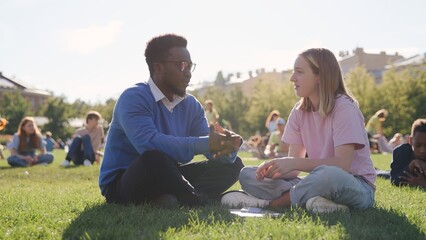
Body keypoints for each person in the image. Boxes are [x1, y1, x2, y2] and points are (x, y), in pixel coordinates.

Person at [221, 48, 376, 213]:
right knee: (247, 174)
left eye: (299, 72)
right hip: (316, 181)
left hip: (356, 185)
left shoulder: (344, 108)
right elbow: (294, 167)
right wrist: (275, 168)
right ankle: (320, 202)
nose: (292, 78)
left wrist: (294, 162)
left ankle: (271, 204)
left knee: (326, 175)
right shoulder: (299, 111)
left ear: (320, 76)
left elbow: (342, 165)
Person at [98, 34, 244, 208]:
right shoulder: (133, 98)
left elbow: (207, 146)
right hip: (124, 181)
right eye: (181, 65)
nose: (188, 72)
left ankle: (169, 198)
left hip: (169, 174)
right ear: (158, 68)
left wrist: (226, 147)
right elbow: (149, 144)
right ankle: (195, 199)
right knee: (154, 157)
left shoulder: (191, 104)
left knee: (234, 165)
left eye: (190, 66)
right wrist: (208, 143)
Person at [390, 119, 426, 188]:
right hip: (400, 169)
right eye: (418, 145)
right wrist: (411, 166)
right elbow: (394, 181)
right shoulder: (401, 152)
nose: (422, 150)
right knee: (382, 174)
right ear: (411, 140)